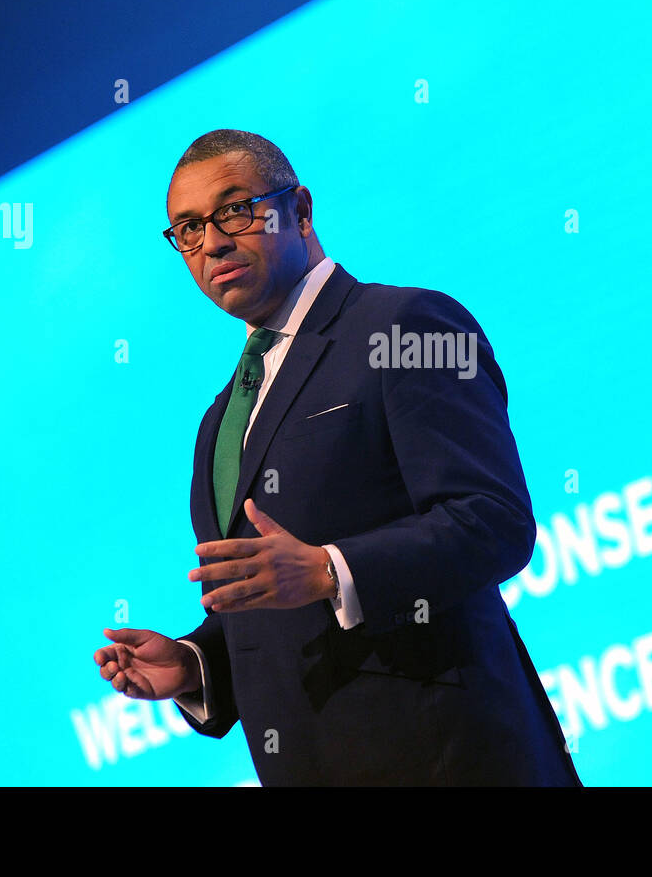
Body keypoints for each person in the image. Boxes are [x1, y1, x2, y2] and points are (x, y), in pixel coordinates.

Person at [94, 129, 581, 786]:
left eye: (235, 210)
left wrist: (330, 569)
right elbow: (267, 605)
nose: (211, 242)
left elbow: (492, 521)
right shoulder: (218, 422)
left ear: (299, 209)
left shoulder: (404, 325)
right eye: (186, 228)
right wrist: (193, 664)